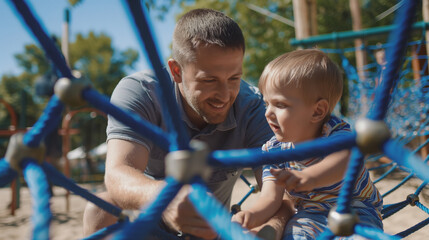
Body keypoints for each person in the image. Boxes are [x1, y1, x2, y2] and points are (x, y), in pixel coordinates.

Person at [83, 8, 292, 239]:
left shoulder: (252, 106)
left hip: (213, 231)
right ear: (176, 71)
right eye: (209, 80)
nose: (225, 95)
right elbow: (117, 174)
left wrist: (268, 228)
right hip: (150, 225)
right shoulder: (142, 93)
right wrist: (167, 198)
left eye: (234, 78)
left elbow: (283, 194)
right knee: (99, 208)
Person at [232, 49, 383, 239]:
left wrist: (309, 177)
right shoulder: (273, 151)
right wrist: (251, 215)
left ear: (317, 111)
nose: (268, 113)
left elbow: (344, 160)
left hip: (356, 210)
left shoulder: (336, 133)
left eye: (280, 105)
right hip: (310, 214)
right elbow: (270, 198)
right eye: (266, 103)